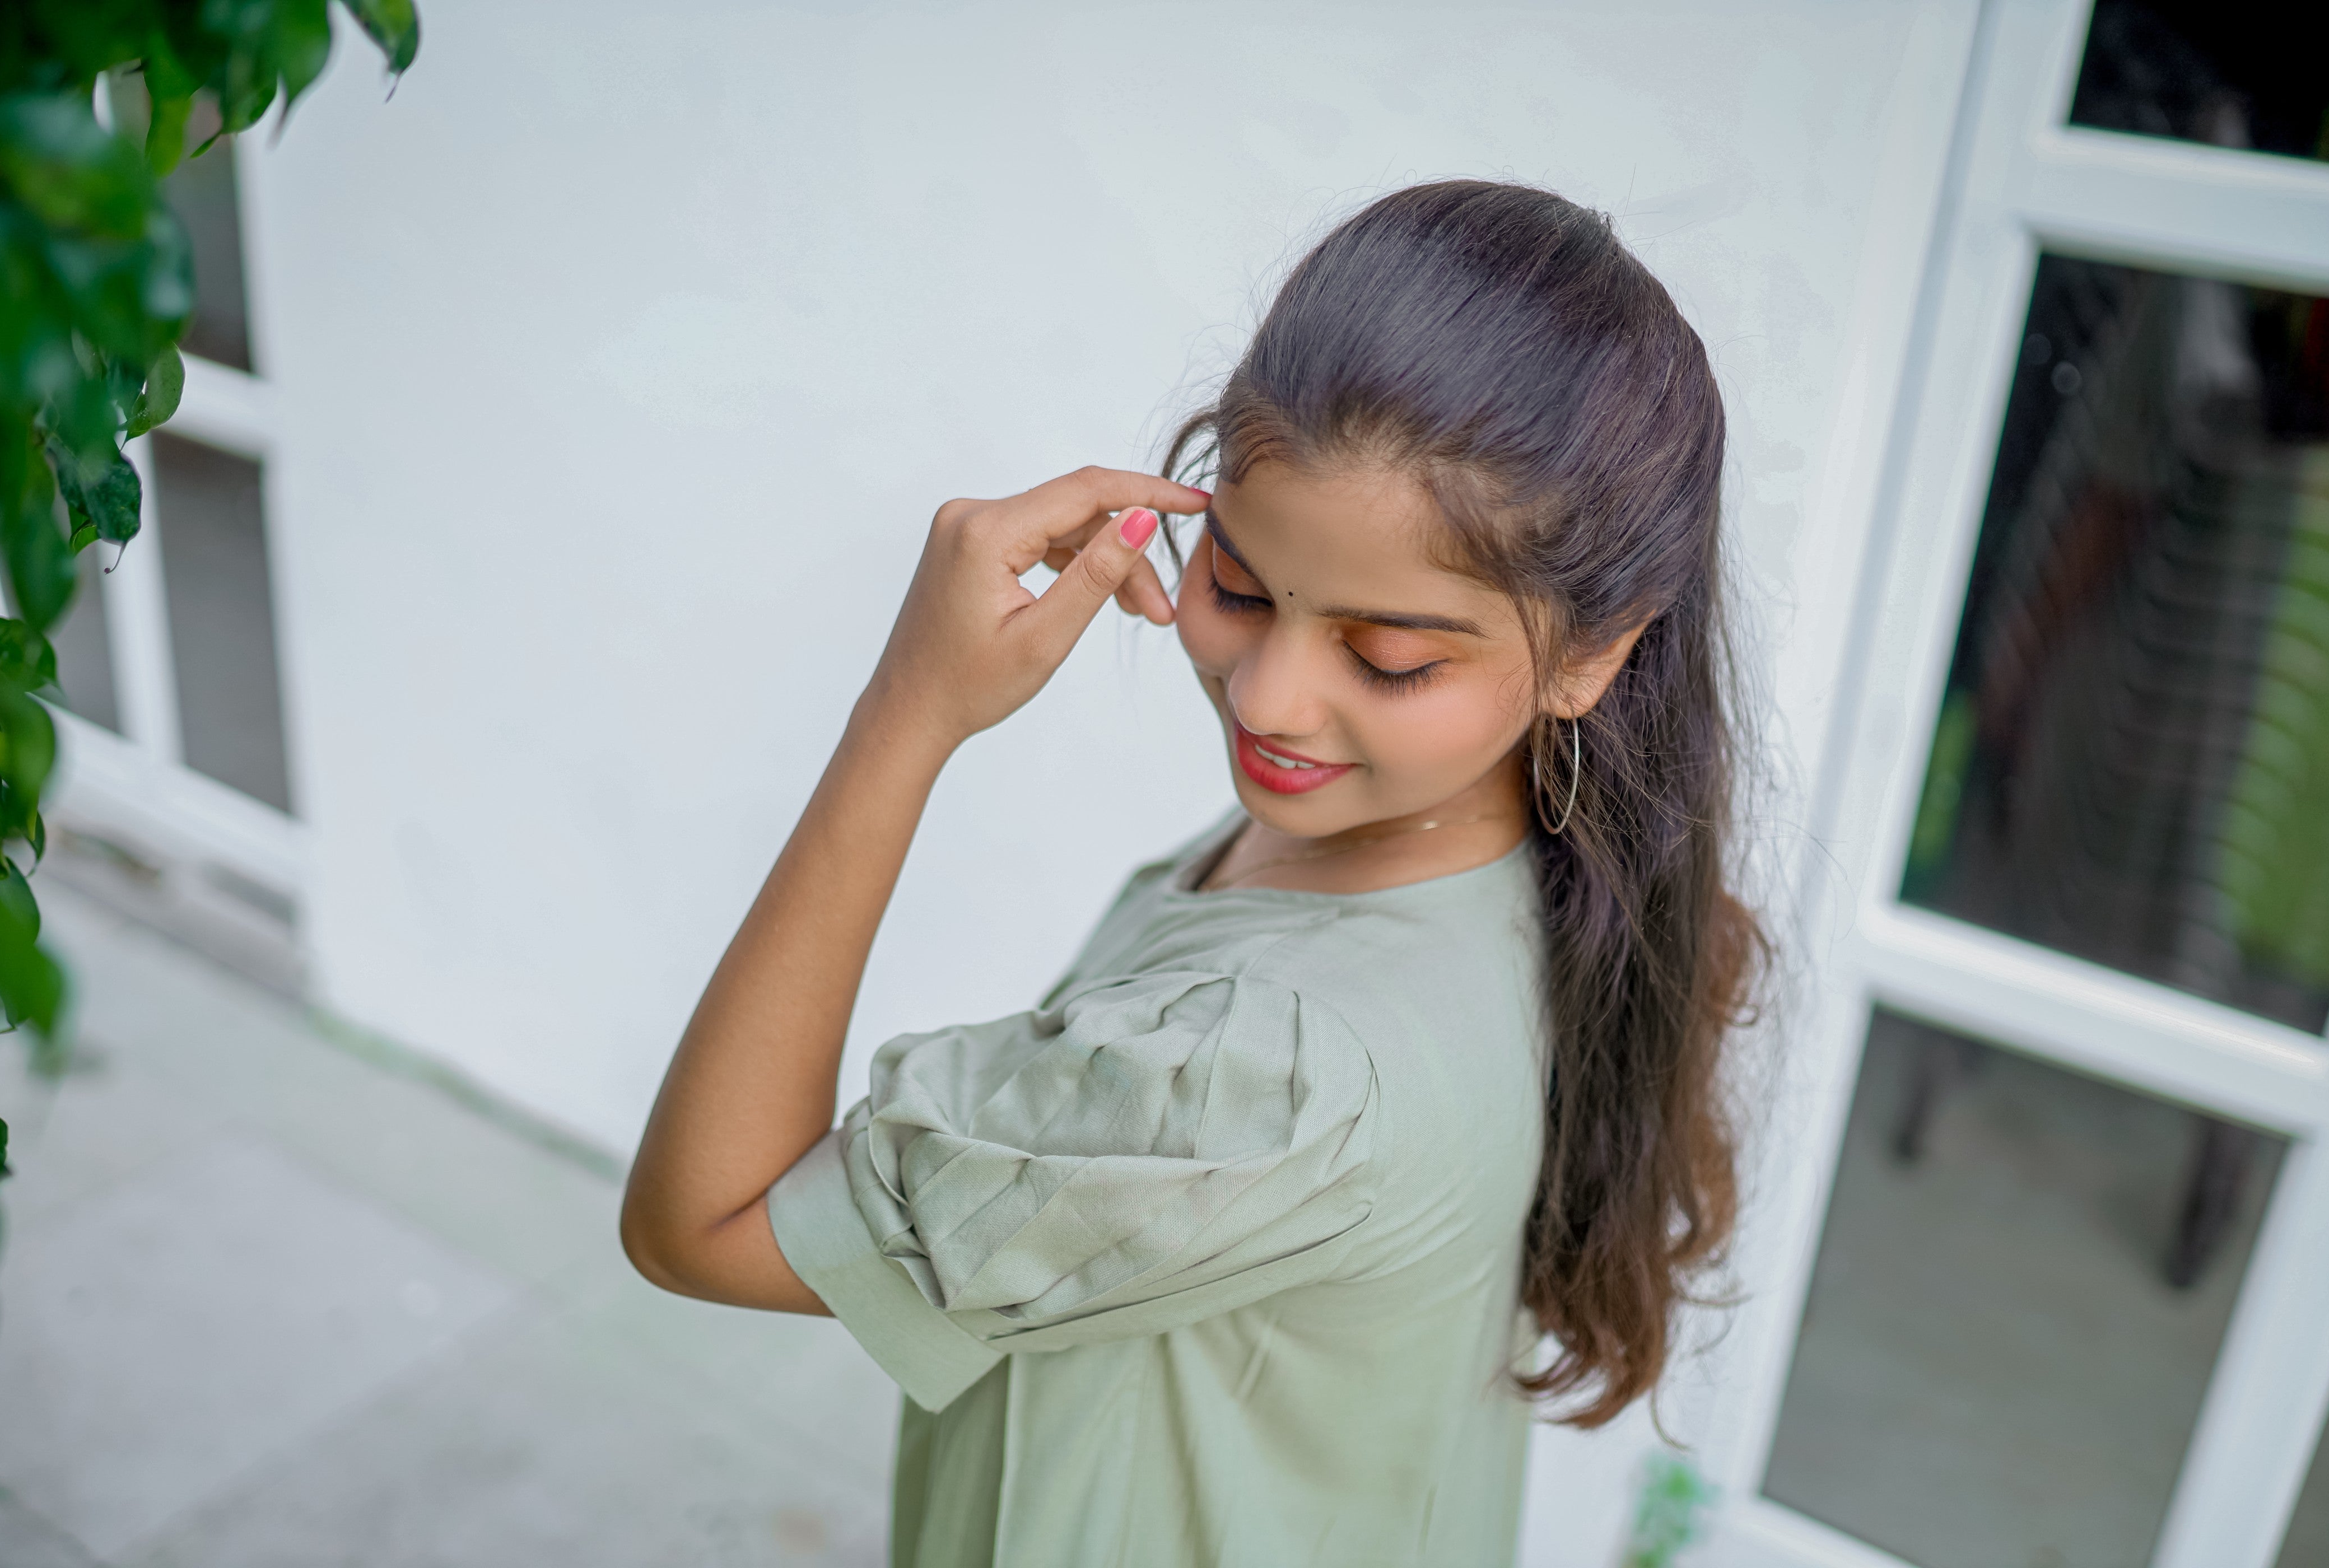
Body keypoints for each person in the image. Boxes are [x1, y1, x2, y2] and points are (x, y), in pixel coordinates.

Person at [620, 179, 1763, 1567]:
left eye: (1390, 658)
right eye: (1237, 575)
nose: (1272, 697)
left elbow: (702, 1221)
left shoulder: (1271, 1061)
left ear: (1593, 651)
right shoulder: (1506, 857)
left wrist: (910, 711)